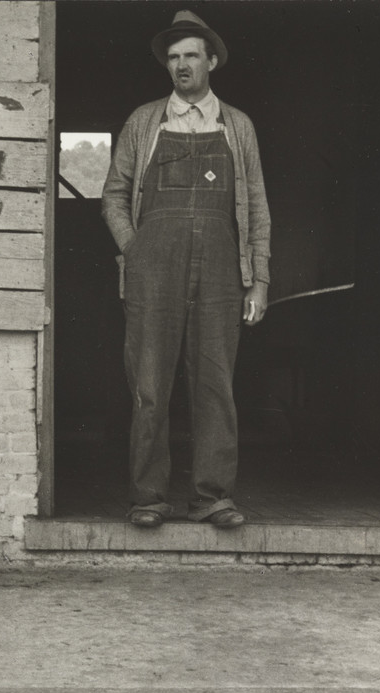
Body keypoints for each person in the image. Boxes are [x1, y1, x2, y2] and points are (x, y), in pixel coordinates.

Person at [101, 10, 271, 530]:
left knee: (215, 385)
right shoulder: (144, 122)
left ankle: (212, 497)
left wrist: (259, 280)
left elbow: (258, 206)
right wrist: (137, 249)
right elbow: (113, 195)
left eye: (191, 55)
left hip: (222, 272)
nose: (181, 65)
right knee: (150, 384)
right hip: (155, 270)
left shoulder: (237, 126)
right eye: (173, 57)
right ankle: (148, 497)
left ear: (211, 60)